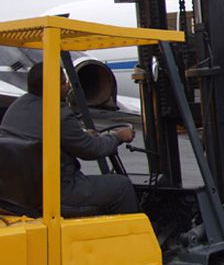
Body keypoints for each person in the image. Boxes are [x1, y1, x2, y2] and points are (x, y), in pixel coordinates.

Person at [0, 62, 139, 216]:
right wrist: (118, 137)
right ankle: (132, 237)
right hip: (58, 191)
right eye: (63, 83)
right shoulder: (58, 114)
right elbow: (92, 150)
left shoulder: (16, 107)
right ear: (51, 86)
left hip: (19, 193)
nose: (67, 86)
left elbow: (52, 135)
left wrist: (83, 135)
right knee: (121, 186)